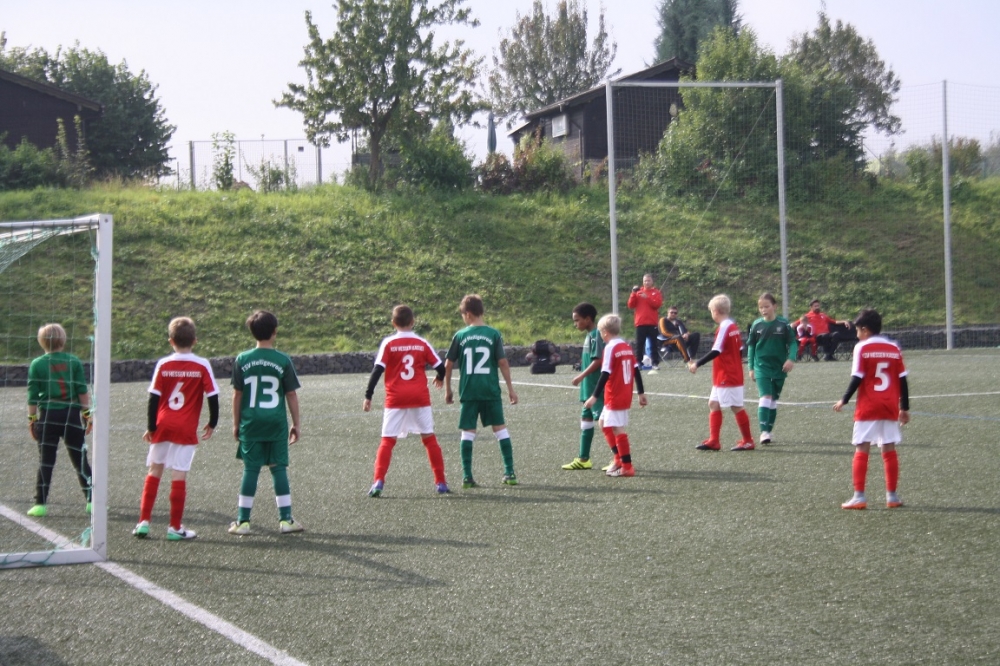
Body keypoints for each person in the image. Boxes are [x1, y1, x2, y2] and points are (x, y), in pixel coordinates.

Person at [133, 317, 220, 540]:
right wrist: (212, 422)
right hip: (185, 427)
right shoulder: (202, 364)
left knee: (154, 470)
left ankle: (143, 522)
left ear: (171, 341)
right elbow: (212, 396)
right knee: (178, 474)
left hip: (162, 424)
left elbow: (153, 398)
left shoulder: (163, 364)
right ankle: (174, 527)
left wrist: (151, 427)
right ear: (195, 340)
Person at [228, 310, 304, 535]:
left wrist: (236, 423)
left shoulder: (242, 359)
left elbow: (237, 394)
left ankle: (243, 521)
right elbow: (291, 394)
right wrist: (296, 424)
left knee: (250, 469)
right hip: (276, 423)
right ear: (275, 332)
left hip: (250, 423)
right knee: (278, 468)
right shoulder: (283, 360)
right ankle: (286, 520)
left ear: (252, 332)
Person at [363, 304, 449, 497]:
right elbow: (440, 367)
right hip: (419, 397)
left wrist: (368, 395)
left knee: (387, 440)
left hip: (395, 398)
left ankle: (378, 482)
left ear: (393, 323)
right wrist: (440, 378)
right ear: (413, 322)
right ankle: (441, 482)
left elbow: (377, 370)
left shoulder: (389, 343)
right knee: (429, 438)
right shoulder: (421, 343)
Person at [833, 309, 909, 510]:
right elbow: (902, 380)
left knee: (862, 447)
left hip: (868, 406)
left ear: (865, 330)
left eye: (858, 330)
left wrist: (844, 399)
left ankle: (859, 496)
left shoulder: (862, 347)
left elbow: (857, 377)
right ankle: (892, 496)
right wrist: (904, 407)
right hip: (889, 406)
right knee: (889, 447)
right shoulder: (894, 347)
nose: (857, 335)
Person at [444, 294, 519, 487]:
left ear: (468, 314)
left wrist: (448, 389)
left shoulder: (460, 336)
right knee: (500, 429)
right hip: (490, 390)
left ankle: (467, 477)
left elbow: (448, 364)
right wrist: (510, 389)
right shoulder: (493, 334)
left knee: (468, 432)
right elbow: (503, 362)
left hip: (469, 391)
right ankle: (510, 472)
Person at [26, 323, 93, 517]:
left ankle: (40, 504)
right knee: (80, 459)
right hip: (71, 414)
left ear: (41, 342)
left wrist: (32, 419)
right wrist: (87, 414)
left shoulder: (37, 364)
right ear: (63, 340)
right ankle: (91, 501)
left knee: (46, 461)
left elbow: (32, 396)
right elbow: (81, 390)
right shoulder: (73, 361)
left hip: (48, 415)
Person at [688, 294, 756, 451]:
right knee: (713, 404)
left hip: (728, 374)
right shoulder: (733, 326)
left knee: (736, 406)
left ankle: (748, 441)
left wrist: (697, 364)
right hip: (725, 374)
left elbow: (716, 350)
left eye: (711, 311)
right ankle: (714, 441)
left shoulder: (725, 327)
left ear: (716, 311)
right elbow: (739, 350)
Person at [583, 314, 647, 476]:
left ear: (605, 332)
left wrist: (594, 397)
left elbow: (605, 373)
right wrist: (640, 392)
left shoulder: (610, 348)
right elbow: (636, 370)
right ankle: (618, 458)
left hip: (615, 394)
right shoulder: (626, 346)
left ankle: (627, 467)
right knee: (603, 423)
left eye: (600, 333)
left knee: (617, 428)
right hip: (623, 393)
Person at [746, 293, 797, 445]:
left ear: (774, 306)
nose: (763, 310)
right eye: (761, 307)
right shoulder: (756, 325)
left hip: (779, 367)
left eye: (766, 306)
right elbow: (751, 347)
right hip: (761, 367)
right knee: (766, 397)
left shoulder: (783, 324)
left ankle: (768, 430)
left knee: (773, 400)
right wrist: (751, 367)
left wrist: (791, 359)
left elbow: (793, 342)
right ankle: (764, 432)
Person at [562, 303, 605, 470]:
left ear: (588, 319)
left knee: (605, 422)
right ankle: (583, 458)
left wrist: (581, 375)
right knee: (586, 420)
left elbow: (598, 360)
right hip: (588, 387)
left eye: (577, 320)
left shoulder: (596, 335)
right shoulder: (589, 335)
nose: (575, 324)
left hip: (596, 387)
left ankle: (619, 459)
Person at [627, 274, 663, 372]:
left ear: (652, 281)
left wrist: (647, 297)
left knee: (653, 344)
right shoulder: (638, 292)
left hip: (652, 322)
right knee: (639, 344)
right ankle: (638, 362)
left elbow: (657, 305)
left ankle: (655, 363)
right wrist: (633, 294)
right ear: (643, 282)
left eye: (648, 281)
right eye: (645, 281)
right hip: (640, 322)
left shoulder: (656, 292)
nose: (647, 282)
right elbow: (630, 305)